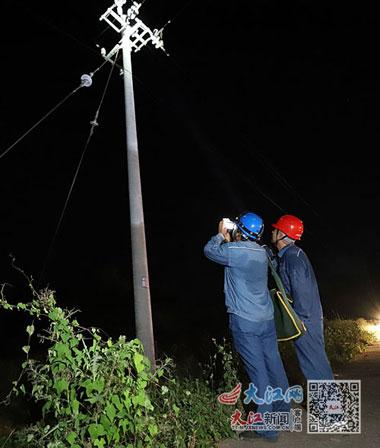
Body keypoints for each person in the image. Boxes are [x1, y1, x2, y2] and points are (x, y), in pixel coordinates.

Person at [204, 212, 290, 442]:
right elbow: (240, 253)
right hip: (266, 319)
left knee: (258, 372)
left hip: (245, 321)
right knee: (274, 364)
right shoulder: (261, 252)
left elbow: (210, 251)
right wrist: (233, 239)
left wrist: (220, 234)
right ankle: (283, 414)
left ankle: (265, 427)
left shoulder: (234, 251)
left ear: (240, 229)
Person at [271, 214, 334, 380]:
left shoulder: (292, 258)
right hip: (308, 317)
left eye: (275, 229)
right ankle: (328, 404)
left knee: (315, 366)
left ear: (282, 235)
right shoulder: (292, 254)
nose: (273, 231)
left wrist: (300, 321)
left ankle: (328, 405)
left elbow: (302, 291)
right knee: (314, 364)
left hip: (306, 320)